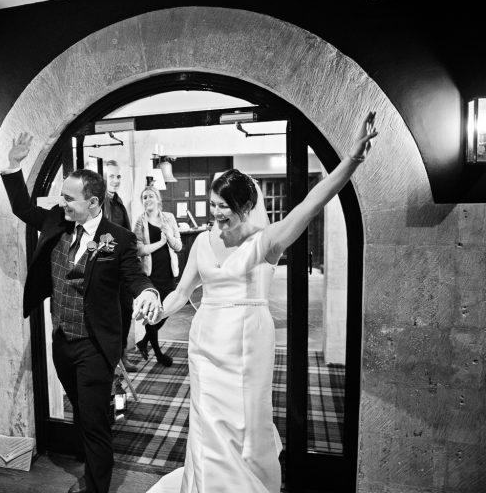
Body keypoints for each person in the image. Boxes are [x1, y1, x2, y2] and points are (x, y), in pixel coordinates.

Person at [147, 112, 378, 493]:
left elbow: (311, 205)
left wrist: (351, 160)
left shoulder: (266, 242)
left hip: (248, 344)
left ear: (244, 206)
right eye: (213, 204)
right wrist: (160, 310)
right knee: (206, 423)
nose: (216, 213)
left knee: (245, 421)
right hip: (205, 343)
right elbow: (181, 293)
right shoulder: (202, 242)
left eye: (224, 207)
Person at [1, 133, 161, 493]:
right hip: (62, 342)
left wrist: (149, 292)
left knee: (93, 423)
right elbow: (23, 209)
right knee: (85, 413)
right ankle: (94, 456)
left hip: (95, 345)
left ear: (92, 202)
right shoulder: (57, 221)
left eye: (68, 197)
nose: (62, 202)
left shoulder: (117, 238)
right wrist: (14, 166)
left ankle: (96, 487)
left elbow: (135, 276)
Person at [133, 185, 182, 367]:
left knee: (167, 309)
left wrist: (168, 236)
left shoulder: (168, 218)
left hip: (168, 272)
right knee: (153, 313)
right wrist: (160, 243)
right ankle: (159, 353)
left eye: (151, 196)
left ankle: (144, 341)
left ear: (158, 199)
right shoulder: (140, 222)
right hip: (151, 275)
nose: (148, 199)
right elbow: (138, 249)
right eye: (144, 197)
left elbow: (178, 246)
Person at [101, 159, 137, 373]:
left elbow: (126, 233)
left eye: (118, 176)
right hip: (106, 270)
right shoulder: (99, 203)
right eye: (111, 176)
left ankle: (122, 355)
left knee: (126, 310)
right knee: (111, 316)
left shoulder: (119, 201)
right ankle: (112, 359)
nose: (115, 180)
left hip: (122, 269)